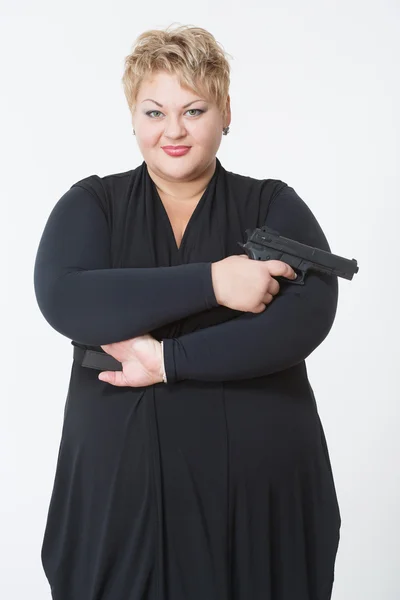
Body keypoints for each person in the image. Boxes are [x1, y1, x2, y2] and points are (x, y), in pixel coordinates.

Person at [34, 24, 341, 600]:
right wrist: (215, 282)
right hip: (121, 515)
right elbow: (66, 298)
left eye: (193, 110)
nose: (172, 131)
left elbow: (307, 317)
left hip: (257, 511)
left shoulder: (272, 206)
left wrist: (169, 360)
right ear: (132, 117)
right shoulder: (92, 206)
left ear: (225, 111)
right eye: (154, 112)